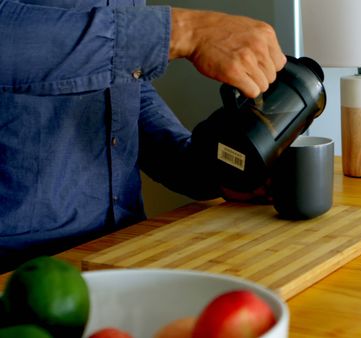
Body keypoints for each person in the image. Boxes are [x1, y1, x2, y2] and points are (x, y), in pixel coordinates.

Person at [0, 0, 287, 272]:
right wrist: (185, 31)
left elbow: (119, 81)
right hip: (17, 269)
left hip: (121, 247)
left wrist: (198, 168)